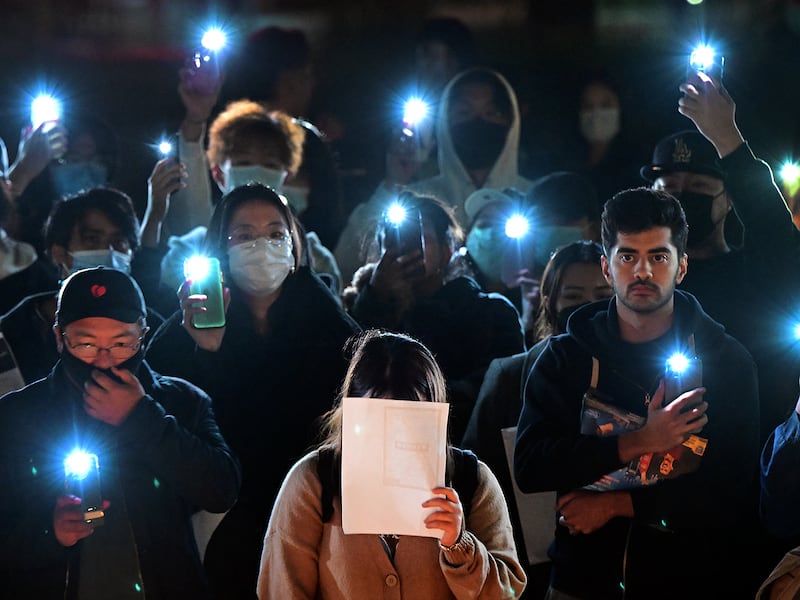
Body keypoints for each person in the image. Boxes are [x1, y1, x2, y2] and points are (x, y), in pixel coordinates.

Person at [514, 188, 762, 599]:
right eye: (628, 256)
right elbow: (531, 466)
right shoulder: (566, 357)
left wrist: (618, 505)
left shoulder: (726, 361)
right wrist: (638, 441)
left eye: (658, 257)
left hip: (692, 579)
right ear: (607, 268)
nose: (642, 272)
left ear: (682, 266)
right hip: (583, 580)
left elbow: (733, 488)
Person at [145, 183, 360, 599]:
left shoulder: (332, 327)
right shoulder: (181, 333)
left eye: (276, 233)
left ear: (295, 244)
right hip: (222, 526)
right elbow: (170, 429)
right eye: (243, 235)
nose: (262, 245)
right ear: (220, 247)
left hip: (317, 520)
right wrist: (208, 353)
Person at [0, 266, 240, 598]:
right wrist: (48, 531)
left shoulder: (181, 401)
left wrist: (141, 418)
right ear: (59, 338)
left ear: (143, 334)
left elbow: (221, 489)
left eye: (121, 344)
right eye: (85, 344)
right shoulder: (16, 416)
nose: (103, 361)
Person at [257, 329, 527, 599]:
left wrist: (459, 545)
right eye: (377, 420)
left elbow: (508, 592)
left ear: (433, 413)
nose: (392, 436)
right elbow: (281, 590)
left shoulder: (471, 480)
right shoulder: (314, 482)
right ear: (352, 412)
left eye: (408, 421)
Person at [641, 70, 800, 442]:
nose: (682, 199)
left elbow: (773, 233)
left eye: (698, 187)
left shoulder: (754, 274)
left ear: (728, 199)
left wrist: (727, 139)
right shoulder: (638, 282)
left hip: (748, 453)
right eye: (669, 189)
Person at [461, 241, 612, 599]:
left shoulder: (642, 376)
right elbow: (475, 472)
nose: (588, 307)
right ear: (550, 301)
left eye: (603, 294)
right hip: (528, 569)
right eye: (573, 294)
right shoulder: (511, 376)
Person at [344, 190, 524, 443]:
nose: (404, 248)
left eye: (418, 238)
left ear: (447, 248)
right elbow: (347, 370)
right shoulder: (364, 308)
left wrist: (417, 401)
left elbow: (495, 389)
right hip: (376, 444)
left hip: (462, 449)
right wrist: (375, 297)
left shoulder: (490, 313)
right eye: (393, 240)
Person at [335, 66, 533, 285]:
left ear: (510, 123)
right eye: (464, 113)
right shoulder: (419, 197)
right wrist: (394, 182)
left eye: (491, 113)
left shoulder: (532, 198)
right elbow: (347, 261)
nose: (478, 122)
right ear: (446, 124)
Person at [160, 98, 343, 295]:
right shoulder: (190, 253)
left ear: (287, 176)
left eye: (270, 165)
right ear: (218, 174)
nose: (257, 171)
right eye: (244, 161)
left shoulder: (315, 258)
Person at [0, 188, 167, 391]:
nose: (109, 251)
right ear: (59, 253)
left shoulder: (155, 329)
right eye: (92, 239)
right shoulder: (10, 332)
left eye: (119, 241)